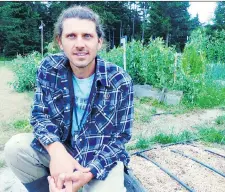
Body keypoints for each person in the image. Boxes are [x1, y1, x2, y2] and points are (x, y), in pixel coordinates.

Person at [4, 6, 134, 192]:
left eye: (87, 36)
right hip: (61, 147)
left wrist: (89, 173)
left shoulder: (119, 80)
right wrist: (56, 151)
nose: (79, 44)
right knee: (15, 149)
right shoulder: (49, 68)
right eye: (71, 36)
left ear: (99, 41)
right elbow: (40, 115)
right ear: (60, 41)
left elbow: (121, 138)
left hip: (98, 156)